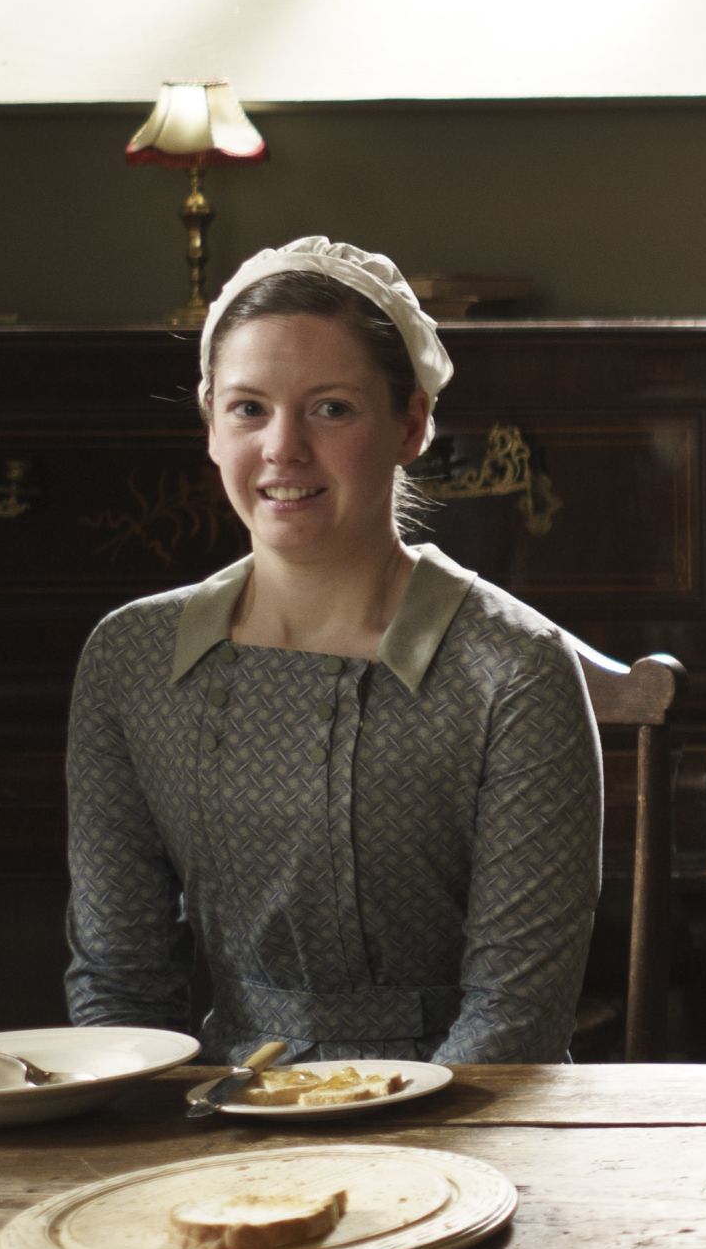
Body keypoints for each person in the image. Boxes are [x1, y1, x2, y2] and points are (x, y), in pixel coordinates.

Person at [65, 239, 601, 1064]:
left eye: (331, 408)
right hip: (221, 1132)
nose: (283, 448)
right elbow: (120, 987)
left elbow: (516, 1013)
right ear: (210, 423)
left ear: (411, 424)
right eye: (249, 408)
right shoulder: (130, 659)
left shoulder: (514, 670)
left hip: (472, 1137)